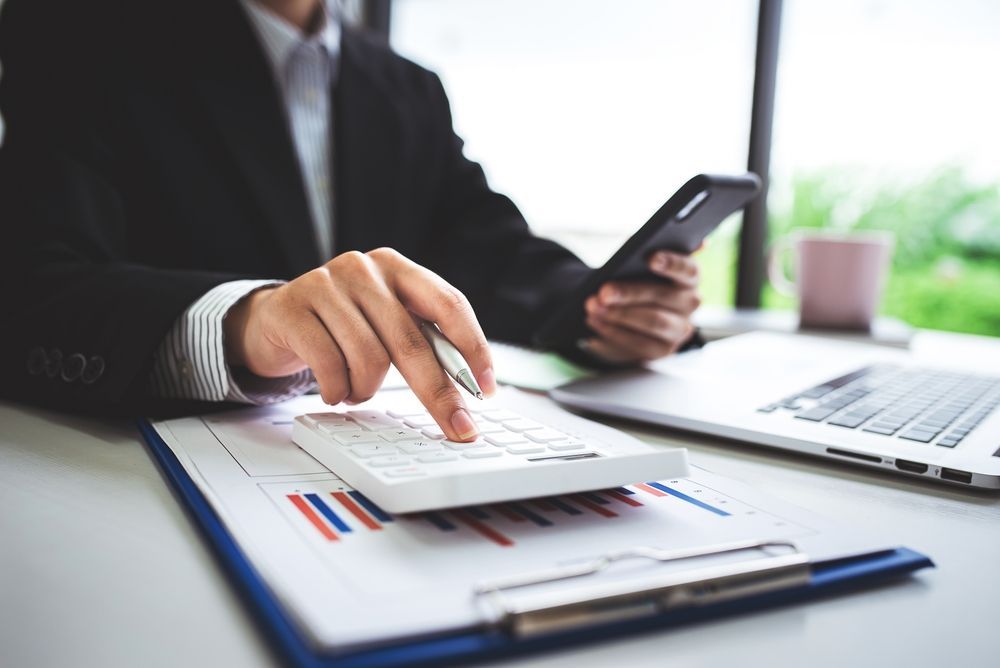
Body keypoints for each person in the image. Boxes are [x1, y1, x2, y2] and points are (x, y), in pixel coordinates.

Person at [0, 0, 701, 442]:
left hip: (366, 451)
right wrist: (246, 320)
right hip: (145, 466)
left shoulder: (408, 87)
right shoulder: (78, 36)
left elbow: (492, 250)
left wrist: (605, 309)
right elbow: (30, 285)